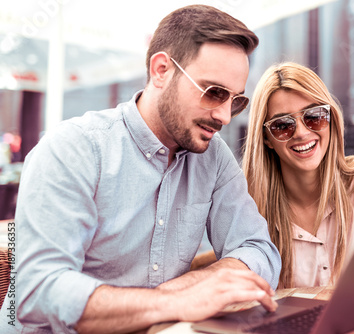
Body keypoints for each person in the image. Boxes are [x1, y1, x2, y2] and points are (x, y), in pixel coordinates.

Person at [0, 5, 281, 334]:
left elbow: (259, 249)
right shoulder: (72, 149)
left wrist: (197, 285)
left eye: (235, 101)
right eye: (214, 93)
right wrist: (174, 302)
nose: (224, 116)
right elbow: (38, 292)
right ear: (161, 70)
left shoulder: (212, 156)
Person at [241, 62, 354, 289]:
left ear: (331, 119)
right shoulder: (250, 203)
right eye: (282, 125)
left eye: (314, 116)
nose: (302, 133)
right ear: (266, 138)